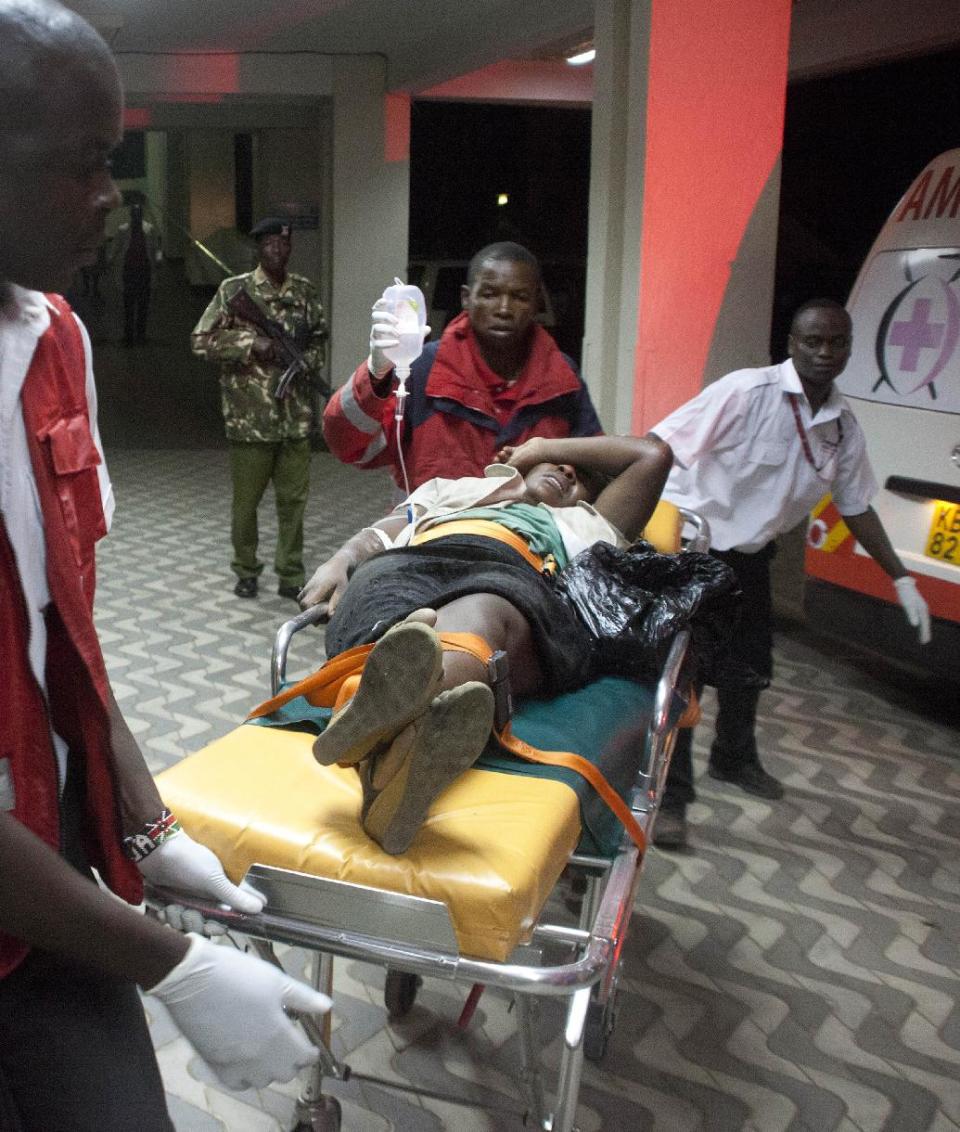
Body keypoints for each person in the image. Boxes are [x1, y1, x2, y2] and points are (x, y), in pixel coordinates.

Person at [0, 5, 331, 1128]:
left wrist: (148, 828)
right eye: (85, 162)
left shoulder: (57, 342)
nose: (109, 192)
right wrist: (173, 967)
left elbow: (63, 641)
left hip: (46, 880)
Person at [298, 433, 673, 854]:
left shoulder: (593, 524)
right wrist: (341, 560)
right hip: (408, 572)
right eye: (557, 464)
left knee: (483, 609)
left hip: (510, 580)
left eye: (582, 476)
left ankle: (370, 722)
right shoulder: (454, 490)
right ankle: (398, 758)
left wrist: (544, 448)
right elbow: (382, 535)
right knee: (404, 616)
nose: (567, 470)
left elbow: (652, 455)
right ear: (513, 462)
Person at [648, 298, 931, 850]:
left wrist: (901, 577)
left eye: (836, 343)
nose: (824, 353)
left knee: (750, 668)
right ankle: (672, 800)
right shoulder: (745, 392)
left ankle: (734, 760)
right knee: (685, 677)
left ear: (850, 348)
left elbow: (855, 505)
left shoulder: (842, 426)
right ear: (792, 344)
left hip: (751, 557)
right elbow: (662, 446)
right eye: (813, 342)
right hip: (694, 547)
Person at [322, 241, 602, 494]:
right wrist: (375, 373)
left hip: (529, 546)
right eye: (490, 294)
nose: (504, 308)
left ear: (536, 303)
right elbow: (350, 448)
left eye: (519, 297)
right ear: (466, 298)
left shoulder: (561, 377)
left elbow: (595, 469)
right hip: (431, 545)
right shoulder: (423, 371)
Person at [191, 217, 328, 600]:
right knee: (246, 505)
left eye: (284, 245)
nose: (278, 251)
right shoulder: (234, 291)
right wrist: (252, 345)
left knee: (293, 504)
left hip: (294, 420)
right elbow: (201, 340)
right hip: (250, 420)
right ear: (258, 248)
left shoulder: (304, 291)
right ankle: (247, 569)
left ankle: (290, 573)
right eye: (270, 244)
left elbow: (319, 339)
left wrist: (306, 362)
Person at [112, 201, 161, 345]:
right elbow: (116, 247)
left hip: (143, 269)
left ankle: (139, 335)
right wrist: (111, 259)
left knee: (142, 304)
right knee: (129, 304)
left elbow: (156, 248)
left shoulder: (149, 229)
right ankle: (130, 335)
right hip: (130, 270)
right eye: (135, 215)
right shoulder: (124, 230)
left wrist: (158, 260)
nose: (136, 217)